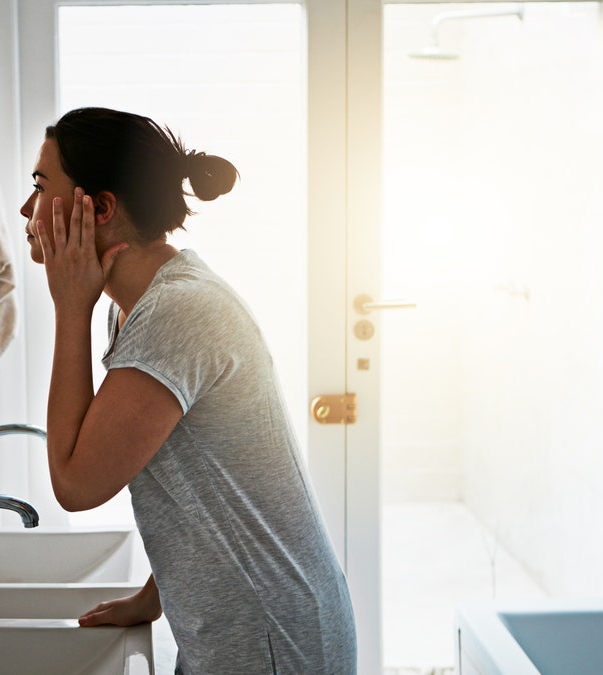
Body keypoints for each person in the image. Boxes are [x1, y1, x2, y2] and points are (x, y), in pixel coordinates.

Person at [21, 106, 357, 674]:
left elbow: (75, 484)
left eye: (39, 185)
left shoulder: (175, 313)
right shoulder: (142, 308)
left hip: (272, 642)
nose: (27, 209)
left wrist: (70, 307)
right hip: (249, 631)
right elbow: (204, 488)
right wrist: (150, 600)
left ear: (99, 208)